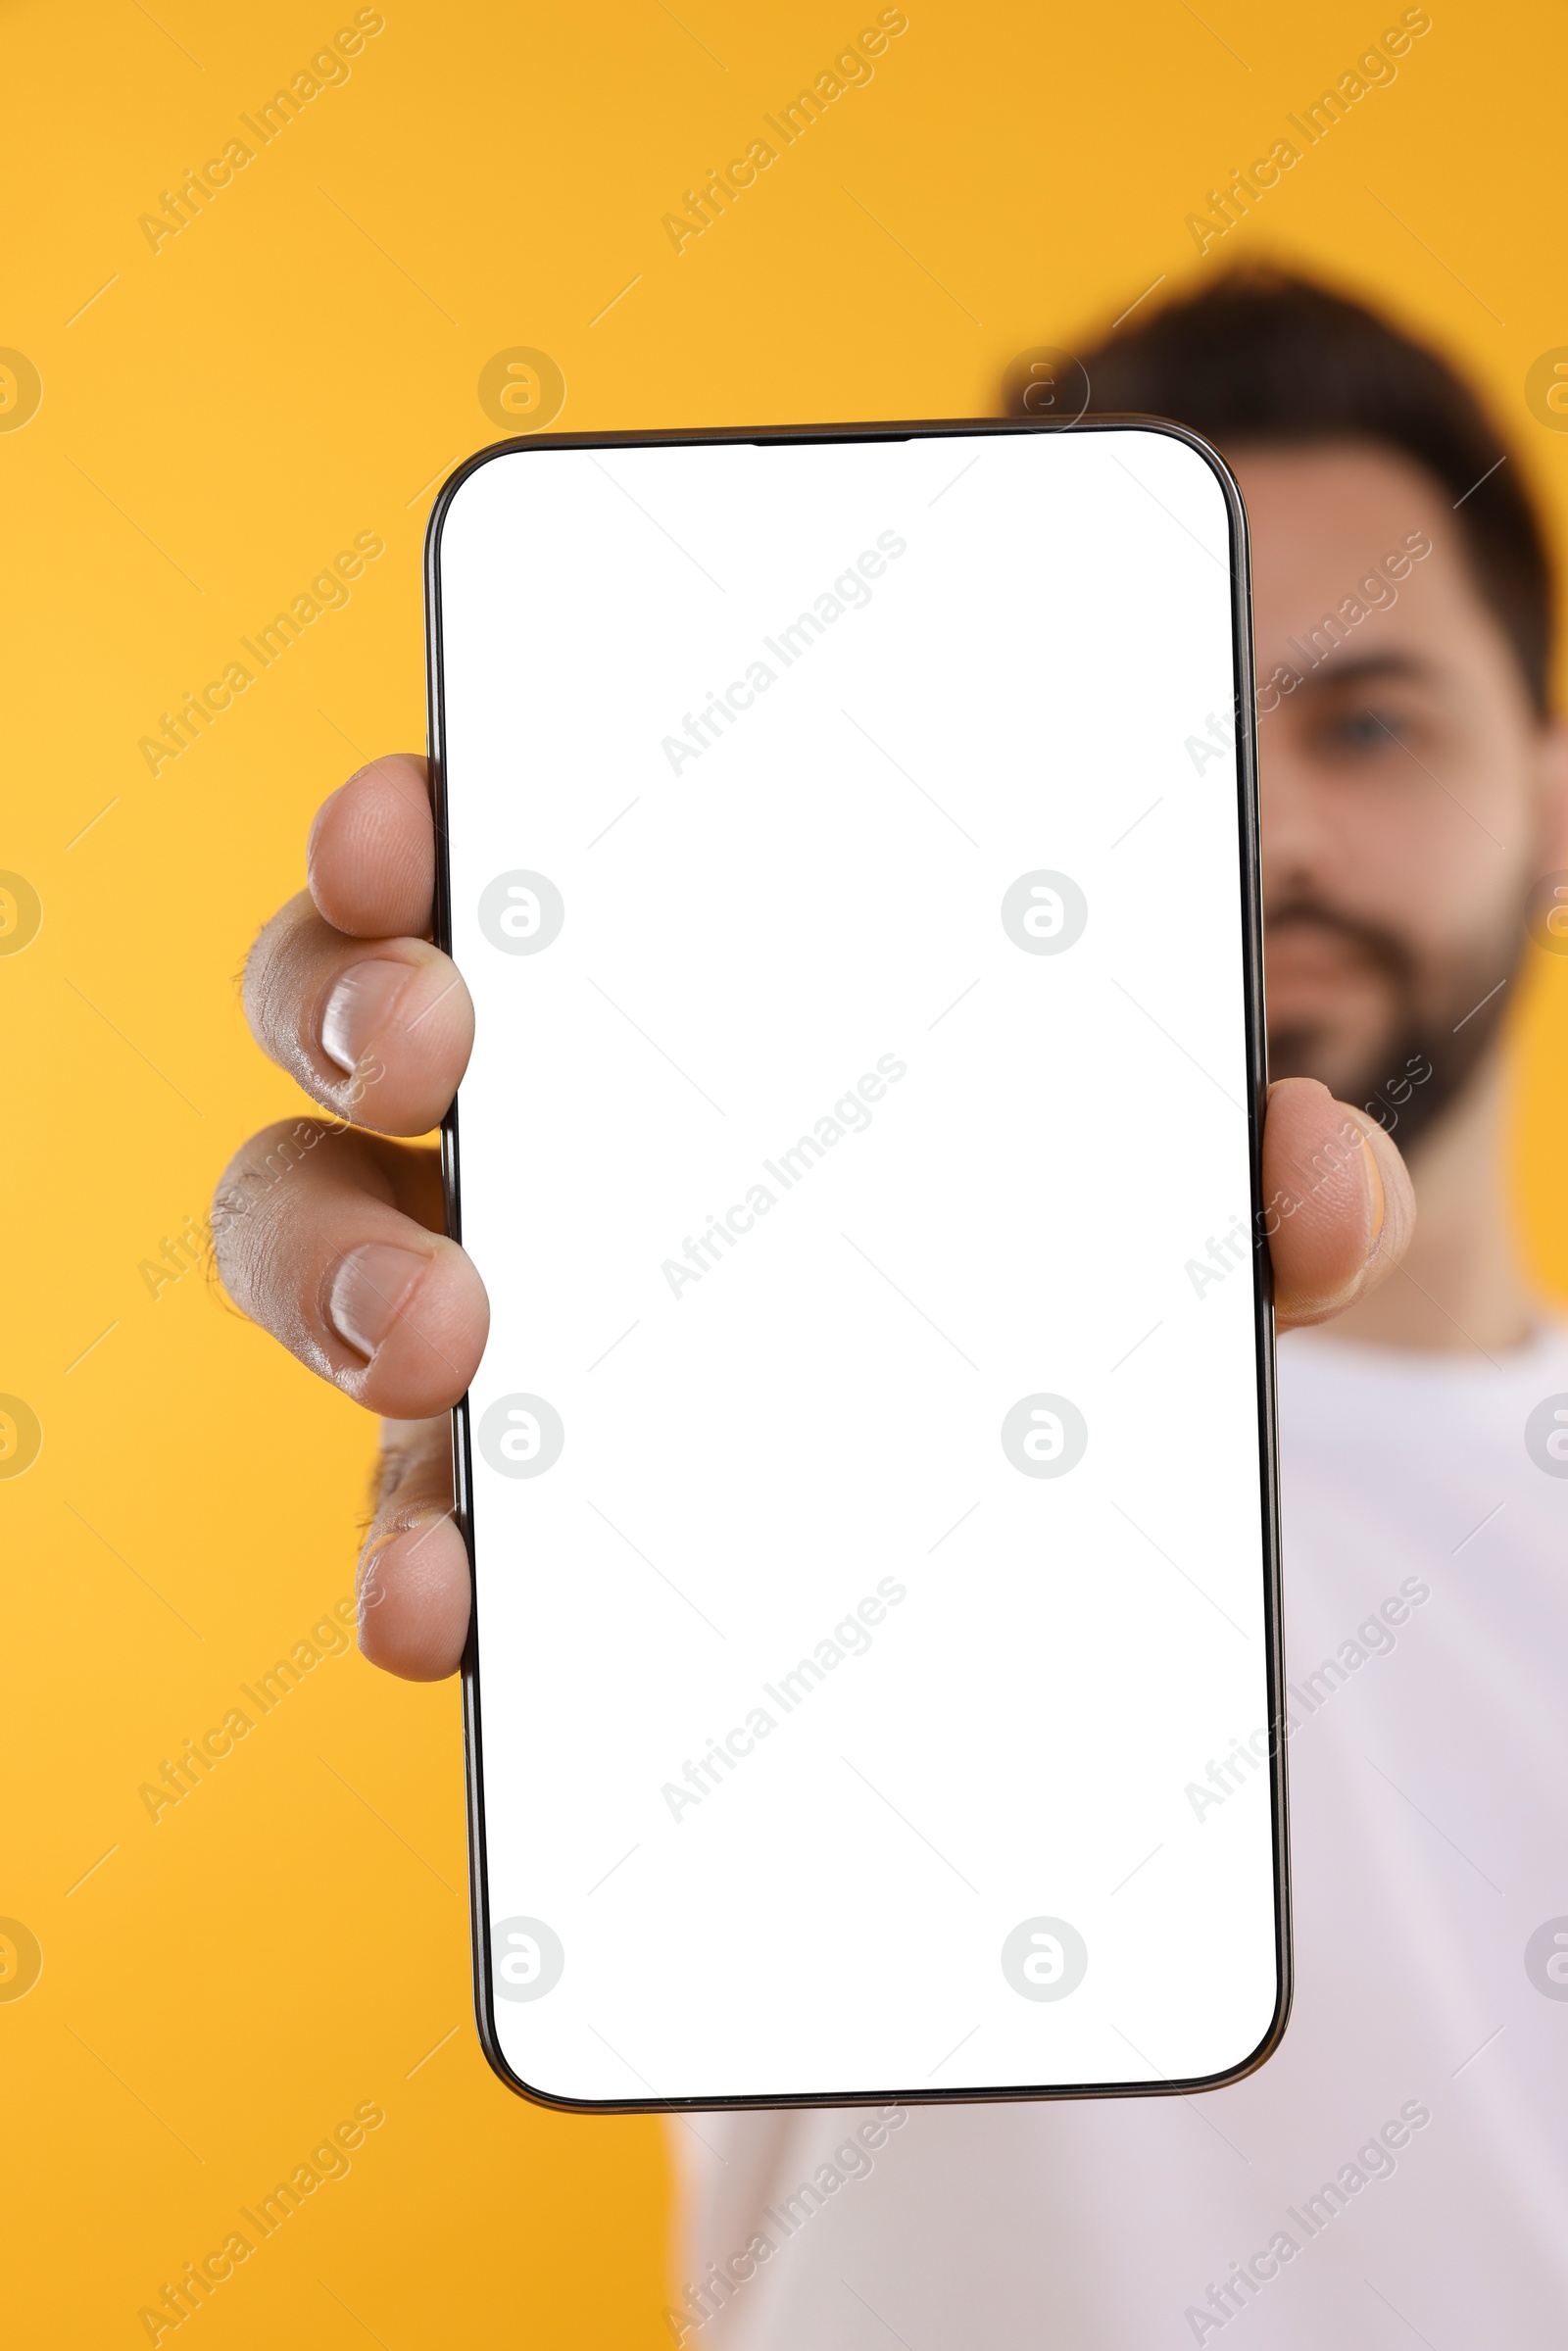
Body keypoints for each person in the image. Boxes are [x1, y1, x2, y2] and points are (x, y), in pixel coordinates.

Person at [210, 264, 1564, 2344]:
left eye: (1363, 719)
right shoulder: (838, 1360)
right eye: (1160, 723)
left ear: (1551, 800)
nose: (1260, 827)